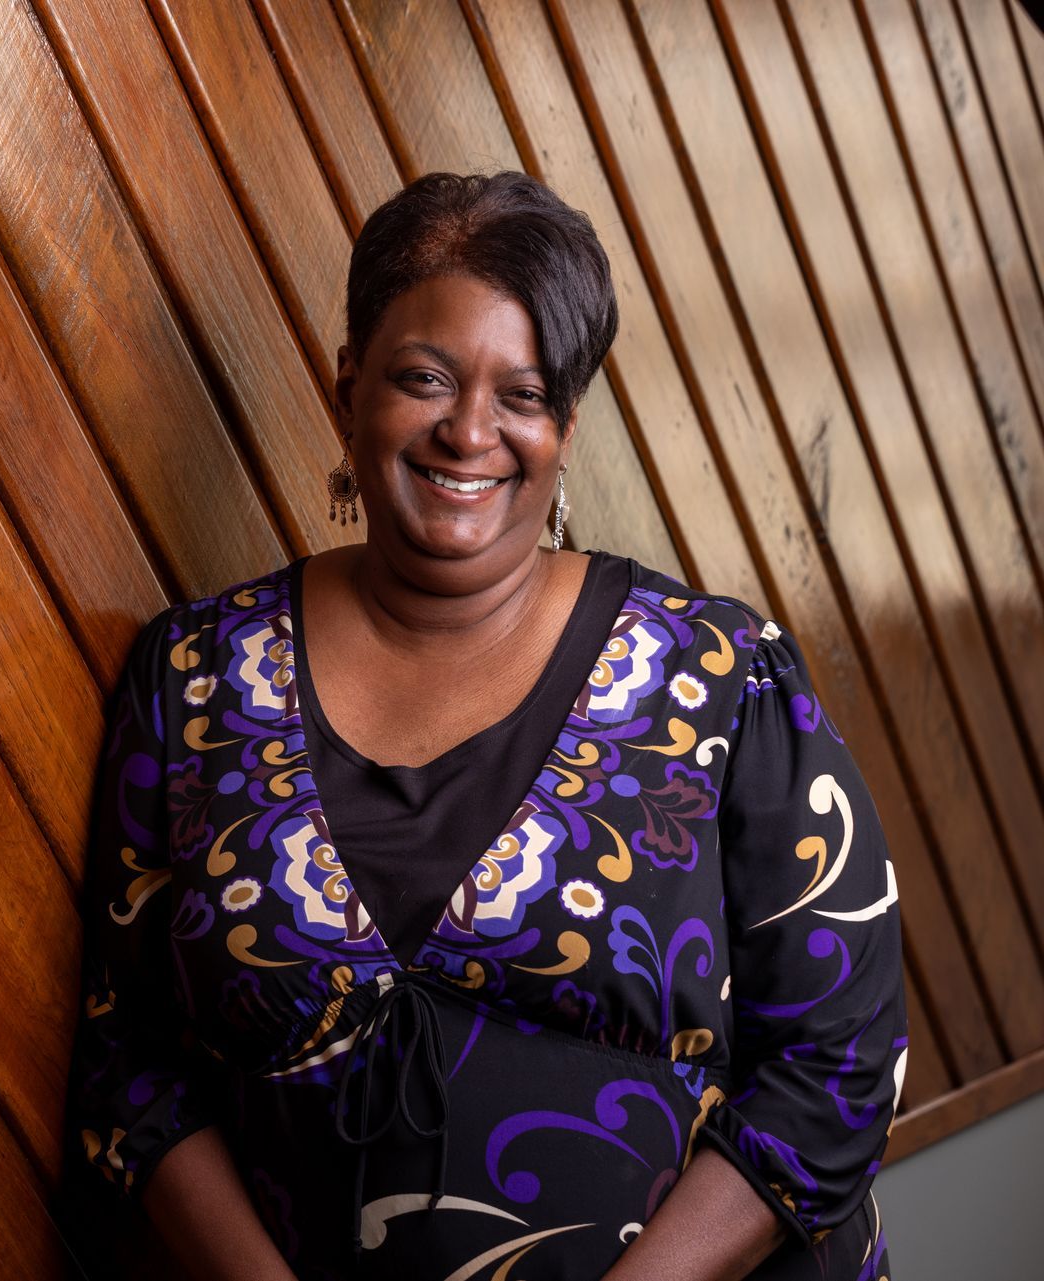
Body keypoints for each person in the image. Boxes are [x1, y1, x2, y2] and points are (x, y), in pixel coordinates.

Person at [62, 171, 905, 1280]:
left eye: (524, 394)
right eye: (425, 378)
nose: (469, 431)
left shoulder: (719, 675)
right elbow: (129, 1064)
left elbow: (838, 1069)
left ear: (563, 429)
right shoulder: (191, 678)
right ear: (348, 387)